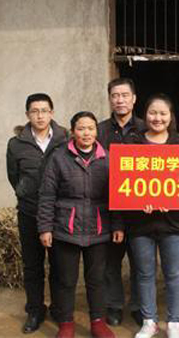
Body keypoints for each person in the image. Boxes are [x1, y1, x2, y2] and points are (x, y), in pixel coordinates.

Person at [38, 111, 120, 338]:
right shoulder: (59, 158)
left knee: (97, 279)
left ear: (96, 131)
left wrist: (118, 225)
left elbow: (117, 196)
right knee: (66, 280)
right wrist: (45, 227)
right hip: (66, 228)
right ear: (73, 131)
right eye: (81, 128)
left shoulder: (108, 158)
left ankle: (98, 322)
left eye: (91, 128)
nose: (86, 133)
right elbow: (47, 195)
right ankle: (66, 323)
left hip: (98, 228)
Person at [115, 93, 179, 338]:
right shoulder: (132, 143)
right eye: (153, 113)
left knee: (173, 274)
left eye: (163, 113)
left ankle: (174, 323)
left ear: (170, 116)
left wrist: (174, 200)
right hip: (140, 223)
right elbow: (123, 184)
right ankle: (149, 321)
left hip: (174, 223)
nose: (157, 118)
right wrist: (138, 201)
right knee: (144, 273)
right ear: (145, 115)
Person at [6, 93, 68, 334]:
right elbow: (13, 177)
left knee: (59, 265)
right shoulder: (16, 144)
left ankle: (59, 309)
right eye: (34, 111)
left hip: (58, 214)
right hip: (29, 212)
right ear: (27, 115)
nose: (40, 116)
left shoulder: (65, 138)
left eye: (44, 110)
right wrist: (25, 193)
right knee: (32, 265)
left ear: (52, 113)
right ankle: (35, 310)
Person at [98, 77, 146, 327]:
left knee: (141, 262)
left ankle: (139, 306)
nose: (120, 100)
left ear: (134, 99)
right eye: (115, 95)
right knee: (111, 262)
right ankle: (114, 305)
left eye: (125, 95)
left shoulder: (146, 128)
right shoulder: (99, 131)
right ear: (110, 99)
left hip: (141, 210)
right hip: (108, 208)